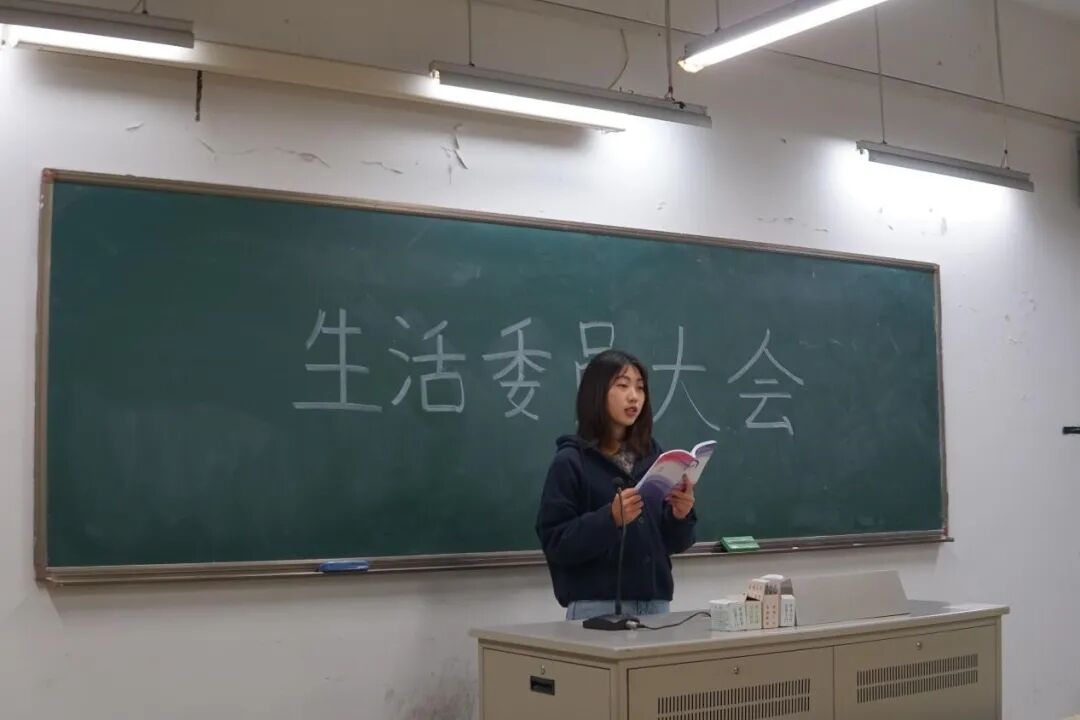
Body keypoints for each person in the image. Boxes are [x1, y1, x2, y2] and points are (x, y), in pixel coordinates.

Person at [535, 349, 697, 621]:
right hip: (597, 608)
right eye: (623, 386)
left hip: (655, 605)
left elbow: (672, 544)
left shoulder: (652, 457)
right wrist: (610, 519)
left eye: (640, 388)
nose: (634, 396)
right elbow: (556, 542)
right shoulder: (571, 461)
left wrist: (680, 516)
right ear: (596, 393)